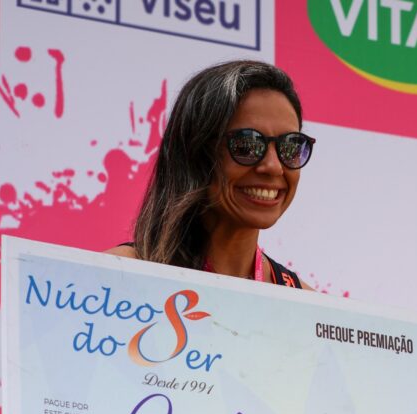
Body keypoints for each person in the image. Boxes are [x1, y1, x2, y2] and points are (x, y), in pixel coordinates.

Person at [107, 60, 316, 290]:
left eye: (290, 147)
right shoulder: (115, 277)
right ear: (194, 152)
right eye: (247, 145)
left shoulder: (306, 302)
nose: (274, 167)